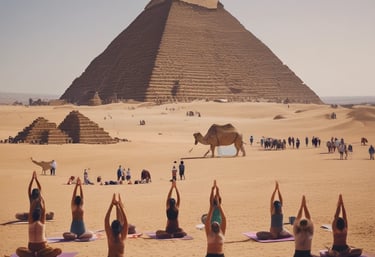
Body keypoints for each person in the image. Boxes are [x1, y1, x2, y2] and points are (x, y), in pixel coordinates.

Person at [205, 180, 226, 257]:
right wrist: (212, 190)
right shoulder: (210, 233)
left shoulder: (221, 232)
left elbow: (224, 219)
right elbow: (224, 219)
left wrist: (217, 190)